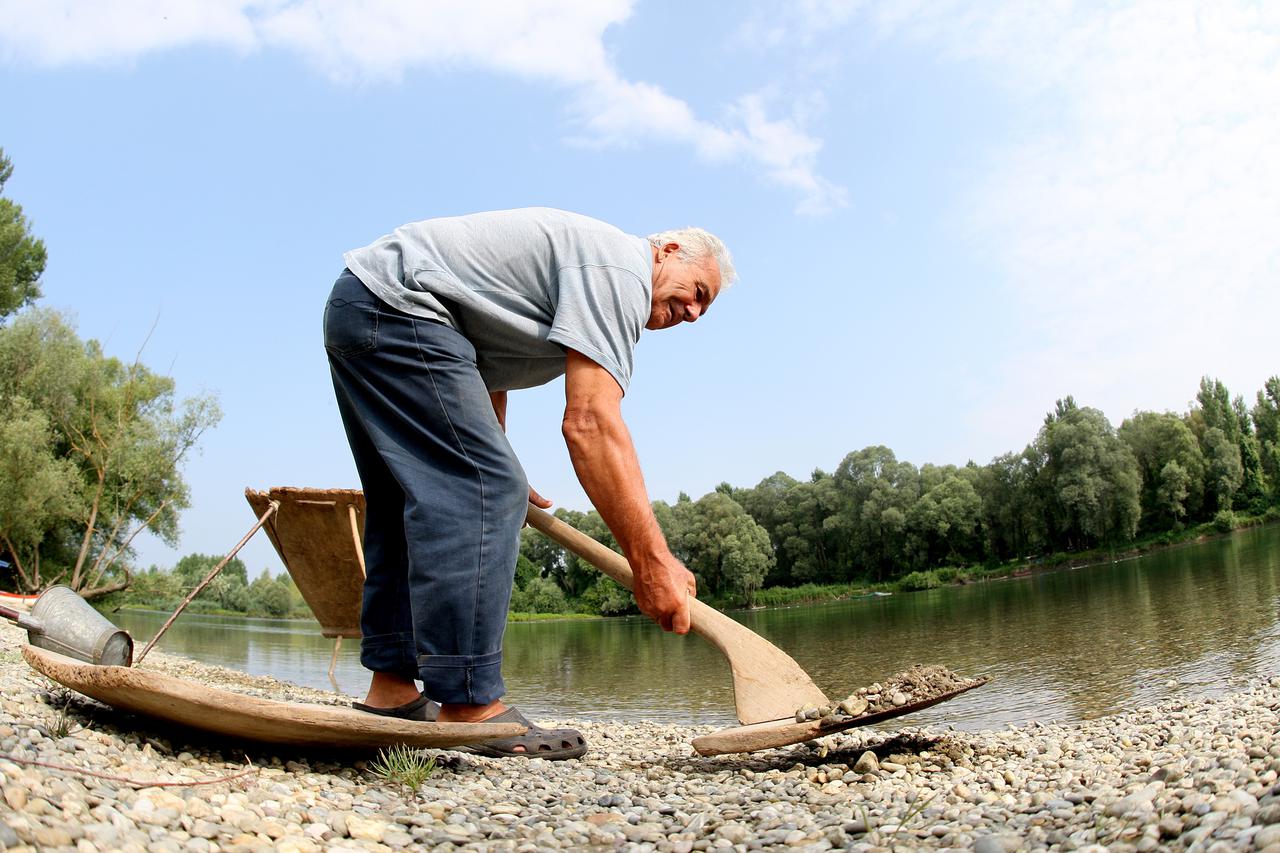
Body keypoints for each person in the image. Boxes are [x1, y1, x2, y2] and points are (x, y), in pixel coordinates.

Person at [323, 207, 735, 759]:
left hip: (361, 306)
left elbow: (475, 370)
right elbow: (590, 423)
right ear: (665, 253)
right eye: (697, 291)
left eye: (704, 307)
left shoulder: (591, 275)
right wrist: (651, 561)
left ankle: (393, 692)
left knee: (408, 499)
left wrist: (494, 461)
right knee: (482, 489)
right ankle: (469, 707)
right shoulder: (621, 273)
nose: (693, 312)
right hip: (398, 310)